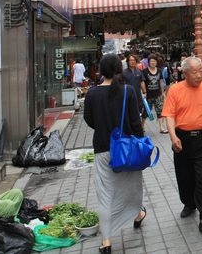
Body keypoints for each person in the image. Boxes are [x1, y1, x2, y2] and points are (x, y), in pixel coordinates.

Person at [84, 54, 147, 254]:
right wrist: (141, 142)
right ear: (119, 71)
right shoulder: (128, 91)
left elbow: (90, 121)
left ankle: (107, 242)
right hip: (127, 150)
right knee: (131, 188)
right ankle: (137, 215)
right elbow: (136, 122)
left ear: (101, 71)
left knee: (105, 196)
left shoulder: (92, 94)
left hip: (103, 149)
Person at [162, 57, 202, 237]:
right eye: (194, 72)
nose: (198, 75)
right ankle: (189, 203)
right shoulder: (175, 90)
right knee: (184, 174)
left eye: (200, 71)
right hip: (182, 139)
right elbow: (169, 115)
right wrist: (173, 137)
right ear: (185, 73)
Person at [123, 53, 147, 132]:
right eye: (131, 60)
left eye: (134, 60)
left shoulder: (139, 71)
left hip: (138, 95)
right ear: (127, 62)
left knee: (138, 112)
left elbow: (142, 82)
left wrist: (145, 92)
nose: (133, 62)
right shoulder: (124, 72)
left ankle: (138, 127)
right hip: (127, 96)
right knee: (129, 111)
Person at [143, 54, 167, 133]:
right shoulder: (145, 71)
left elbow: (161, 82)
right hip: (148, 95)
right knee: (146, 112)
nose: (153, 63)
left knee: (160, 110)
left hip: (158, 94)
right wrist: (144, 92)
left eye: (154, 61)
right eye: (151, 61)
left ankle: (161, 127)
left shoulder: (159, 70)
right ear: (149, 62)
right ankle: (142, 125)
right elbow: (143, 82)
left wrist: (162, 92)